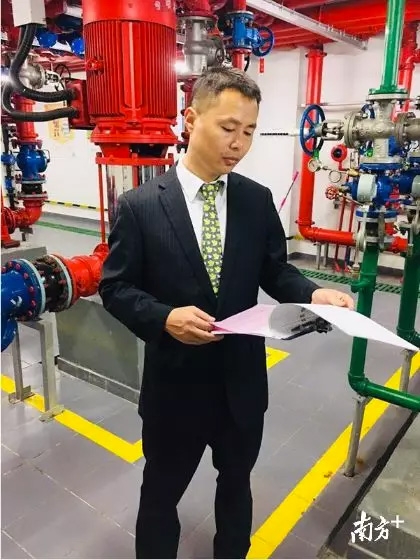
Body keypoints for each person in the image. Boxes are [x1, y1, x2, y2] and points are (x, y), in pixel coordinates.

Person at [98, 67, 354, 559]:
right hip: (175, 387)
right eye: (228, 127)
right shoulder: (140, 206)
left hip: (241, 384)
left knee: (236, 486)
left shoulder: (256, 201)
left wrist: (313, 293)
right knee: (160, 495)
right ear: (191, 119)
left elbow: (275, 270)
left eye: (250, 132)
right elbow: (116, 287)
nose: (239, 144)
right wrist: (164, 318)